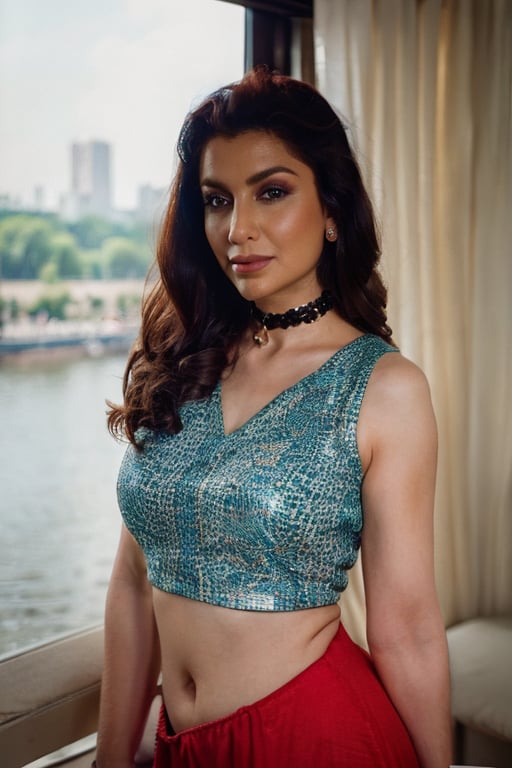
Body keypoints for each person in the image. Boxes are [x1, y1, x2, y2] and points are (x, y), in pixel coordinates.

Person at [95, 67, 452, 768]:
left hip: (316, 739)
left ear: (330, 209)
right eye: (217, 200)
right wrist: (110, 758)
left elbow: (406, 628)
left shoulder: (386, 389)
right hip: (179, 748)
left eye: (273, 191)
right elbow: (134, 581)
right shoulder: (183, 360)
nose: (239, 228)